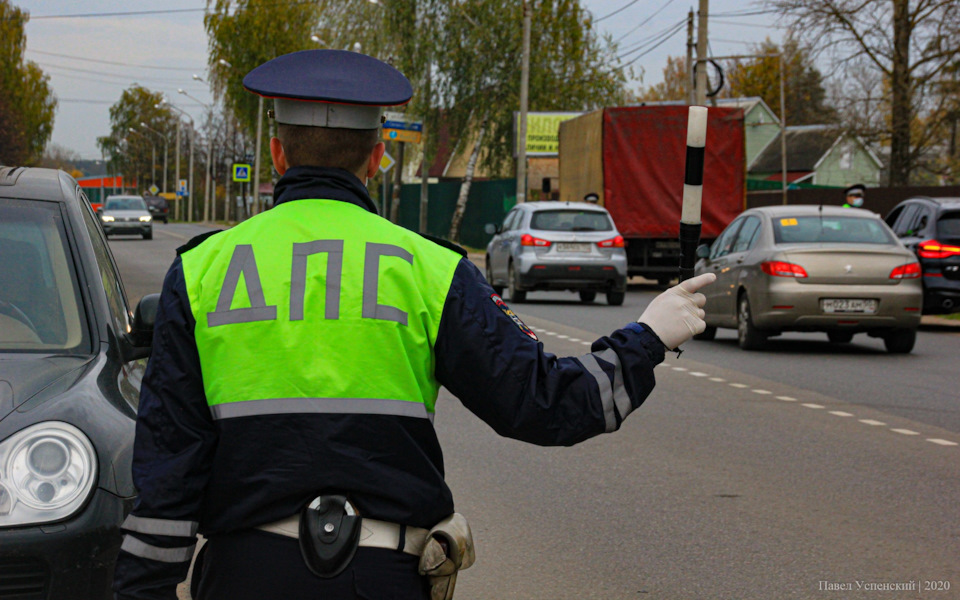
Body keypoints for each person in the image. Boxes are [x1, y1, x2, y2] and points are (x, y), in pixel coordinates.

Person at [112, 49, 716, 600]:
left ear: (277, 153)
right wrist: (648, 336)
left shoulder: (201, 272)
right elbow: (543, 404)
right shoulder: (431, 269)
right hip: (383, 579)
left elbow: (168, 471)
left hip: (243, 579)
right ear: (377, 158)